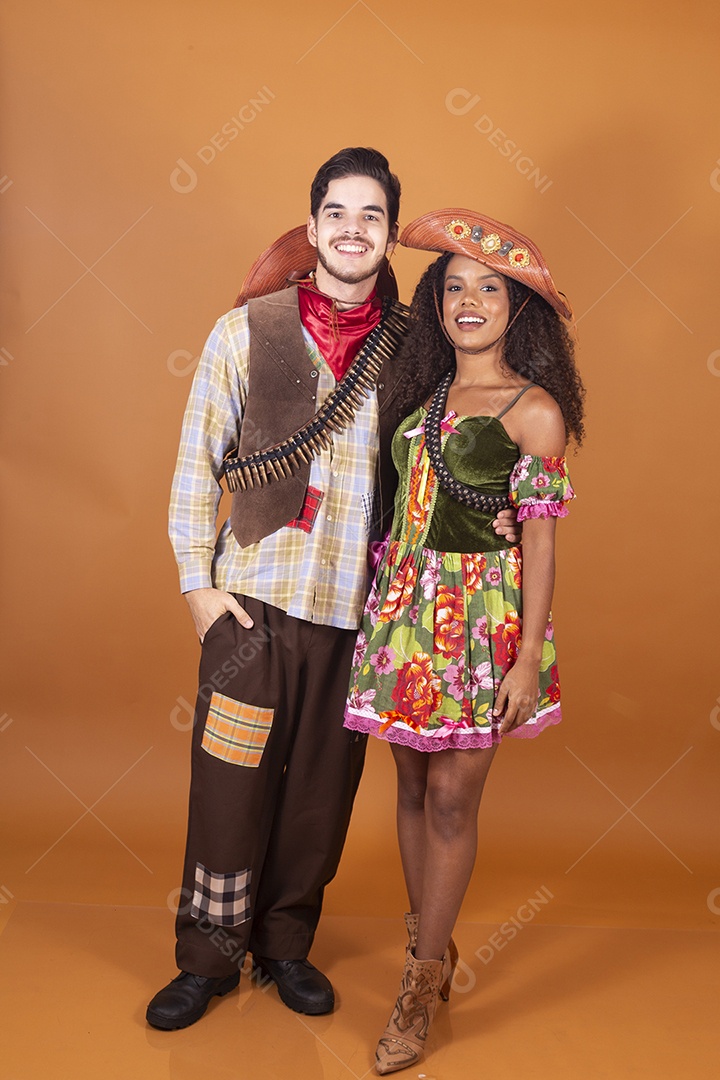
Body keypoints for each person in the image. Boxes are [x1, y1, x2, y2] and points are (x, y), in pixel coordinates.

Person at [146, 156, 521, 1031]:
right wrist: (196, 587)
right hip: (253, 608)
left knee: (322, 791)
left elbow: (458, 447)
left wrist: (499, 517)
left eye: (373, 216)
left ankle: (283, 945)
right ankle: (207, 957)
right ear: (311, 230)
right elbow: (196, 460)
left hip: (360, 614)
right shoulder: (244, 331)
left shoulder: (414, 345)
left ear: (390, 235)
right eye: (337, 213)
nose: (354, 229)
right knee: (227, 784)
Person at [343, 208, 586, 1075]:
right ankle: (432, 944)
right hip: (404, 614)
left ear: (518, 309)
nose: (471, 300)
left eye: (491, 288)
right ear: (435, 303)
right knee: (410, 787)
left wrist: (525, 660)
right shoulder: (419, 396)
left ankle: (416, 984)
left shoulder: (536, 411)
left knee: (453, 799)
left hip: (482, 625)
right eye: (455, 288)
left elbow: (543, 544)